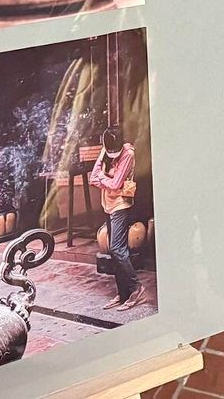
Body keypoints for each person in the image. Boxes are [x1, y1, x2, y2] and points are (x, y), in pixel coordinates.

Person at [89, 127, 146, 312]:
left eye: (115, 151)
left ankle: (136, 288)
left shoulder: (128, 154)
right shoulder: (105, 149)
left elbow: (116, 184)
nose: (112, 154)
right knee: (114, 251)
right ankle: (123, 293)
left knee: (117, 248)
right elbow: (93, 177)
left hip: (121, 205)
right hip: (108, 203)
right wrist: (106, 181)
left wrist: (103, 179)